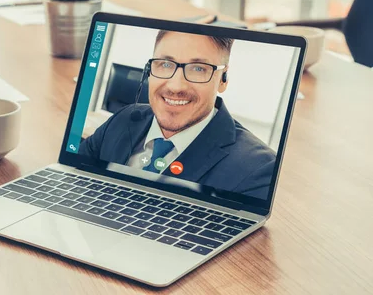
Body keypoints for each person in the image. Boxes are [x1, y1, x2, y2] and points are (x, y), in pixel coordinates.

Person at [79, 29, 276, 199]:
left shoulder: (257, 169)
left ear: (223, 79)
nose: (176, 86)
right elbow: (75, 175)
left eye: (198, 68)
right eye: (165, 64)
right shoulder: (123, 119)